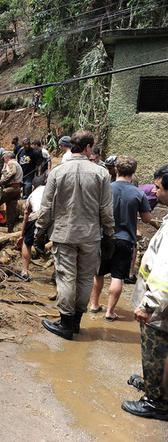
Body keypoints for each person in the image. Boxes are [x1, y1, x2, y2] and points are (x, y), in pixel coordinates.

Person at [36, 130, 115, 340]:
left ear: (72, 146)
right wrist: (109, 235)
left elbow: (45, 208)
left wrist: (39, 233)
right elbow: (106, 209)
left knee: (66, 277)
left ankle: (66, 324)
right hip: (91, 235)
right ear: (89, 148)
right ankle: (77, 322)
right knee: (85, 278)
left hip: (64, 234)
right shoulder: (101, 174)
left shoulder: (57, 172)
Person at [121, 164, 168, 421]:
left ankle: (156, 401)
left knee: (155, 350)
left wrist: (148, 304)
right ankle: (156, 386)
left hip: (160, 308)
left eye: (159, 187)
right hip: (162, 304)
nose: (154, 190)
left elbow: (165, 274)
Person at [89, 156, 156, 320]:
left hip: (105, 236)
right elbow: (146, 218)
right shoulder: (138, 193)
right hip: (125, 240)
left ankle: (94, 305)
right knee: (117, 276)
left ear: (116, 170)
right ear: (133, 172)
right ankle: (110, 312)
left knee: (98, 274)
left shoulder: (106, 189)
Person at [19, 175, 47, 280]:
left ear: (33, 186)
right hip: (54, 218)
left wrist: (22, 235)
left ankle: (25, 270)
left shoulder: (32, 195)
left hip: (36, 215)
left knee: (27, 243)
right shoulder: (52, 190)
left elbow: (26, 215)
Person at [0, 151, 23, 232]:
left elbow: (12, 173)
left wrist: (1, 182)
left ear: (7, 157)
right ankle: (10, 229)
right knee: (11, 211)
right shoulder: (17, 163)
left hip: (10, 188)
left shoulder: (11, 162)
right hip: (17, 189)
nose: (3, 160)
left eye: (4, 158)